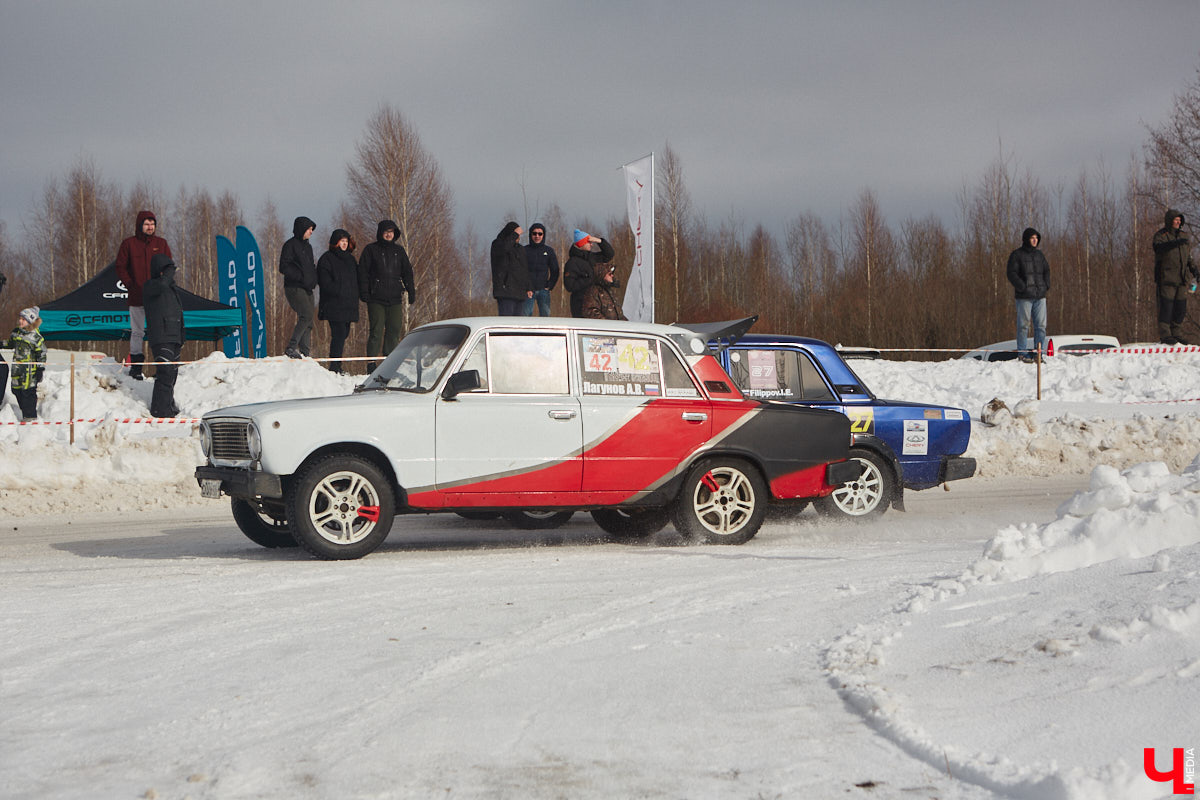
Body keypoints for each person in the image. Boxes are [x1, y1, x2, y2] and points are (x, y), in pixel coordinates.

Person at [114, 210, 172, 379]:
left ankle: (160, 367)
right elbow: (120, 267)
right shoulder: (129, 244)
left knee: (158, 331)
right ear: (140, 225)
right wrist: (130, 285)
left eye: (152, 224)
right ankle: (136, 368)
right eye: (146, 224)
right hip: (137, 296)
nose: (150, 227)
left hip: (157, 297)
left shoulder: (161, 243)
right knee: (137, 332)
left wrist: (164, 284)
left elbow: (169, 266)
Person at [358, 220, 415, 361]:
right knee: (376, 332)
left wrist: (411, 290)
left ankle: (389, 363)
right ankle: (371, 363)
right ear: (380, 233)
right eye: (386, 231)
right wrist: (364, 291)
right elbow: (362, 272)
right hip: (376, 298)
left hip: (395, 297)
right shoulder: (371, 250)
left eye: (391, 232)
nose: (389, 234)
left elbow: (407, 272)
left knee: (394, 330)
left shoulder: (399, 251)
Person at [143, 254, 185, 418]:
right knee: (165, 372)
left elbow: (178, 313)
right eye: (166, 270)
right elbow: (160, 285)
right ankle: (160, 409)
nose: (170, 273)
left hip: (174, 335)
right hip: (161, 336)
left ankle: (168, 404)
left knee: (172, 373)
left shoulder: (171, 289)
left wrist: (182, 335)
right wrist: (166, 275)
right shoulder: (150, 286)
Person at [1152, 209, 1200, 345]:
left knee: (1180, 308)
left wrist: (1195, 271)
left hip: (1181, 279)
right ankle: (1165, 334)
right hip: (1166, 278)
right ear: (1169, 221)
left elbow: (1188, 257)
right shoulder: (1161, 235)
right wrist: (1175, 243)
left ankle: (1177, 333)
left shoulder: (1184, 236)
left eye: (1180, 220)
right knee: (1166, 307)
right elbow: (1158, 248)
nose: (1178, 222)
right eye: (1176, 220)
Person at [317, 229, 360, 373]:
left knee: (344, 333)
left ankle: (337, 364)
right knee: (339, 333)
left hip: (349, 304)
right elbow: (324, 281)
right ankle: (335, 367)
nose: (344, 244)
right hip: (333, 304)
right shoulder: (327, 258)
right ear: (335, 242)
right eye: (342, 241)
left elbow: (357, 279)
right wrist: (338, 290)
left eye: (346, 241)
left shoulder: (351, 259)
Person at [1005, 227, 1050, 361]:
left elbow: (1047, 270)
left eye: (1036, 238)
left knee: (1041, 326)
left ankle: (1038, 353)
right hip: (1024, 297)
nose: (1035, 240)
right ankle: (1022, 353)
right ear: (1026, 239)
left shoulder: (1039, 255)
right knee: (1023, 326)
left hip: (1040, 296)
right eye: (1032, 238)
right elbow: (1011, 273)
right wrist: (1022, 287)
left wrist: (1046, 285)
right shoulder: (1017, 255)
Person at [279, 216, 318, 358]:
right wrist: (300, 277)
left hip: (308, 288)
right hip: (294, 287)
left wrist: (313, 279)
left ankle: (305, 353)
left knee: (308, 320)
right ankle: (291, 347)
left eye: (312, 229)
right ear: (302, 229)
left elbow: (311, 266)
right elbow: (283, 266)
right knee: (306, 315)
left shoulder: (308, 247)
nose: (311, 232)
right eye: (309, 229)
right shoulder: (290, 245)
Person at [3, 307, 46, 421]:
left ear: (30, 321)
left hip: (29, 372)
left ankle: (30, 417)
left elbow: (42, 354)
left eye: (24, 319)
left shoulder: (36, 337)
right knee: (16, 390)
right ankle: (24, 412)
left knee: (28, 393)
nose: (20, 321)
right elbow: (10, 344)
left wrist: (40, 369)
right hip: (17, 369)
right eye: (20, 318)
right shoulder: (16, 332)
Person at [563, 228, 615, 318]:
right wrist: (589, 279)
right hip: (580, 304)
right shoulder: (572, 263)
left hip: (597, 302)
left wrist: (599, 241)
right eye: (589, 242)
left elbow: (609, 254)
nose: (591, 244)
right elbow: (570, 286)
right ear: (581, 243)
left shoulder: (593, 257)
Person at [490, 221, 532, 315]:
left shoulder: (520, 249)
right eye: (516, 234)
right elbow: (504, 249)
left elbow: (524, 269)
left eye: (518, 235)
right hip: (505, 292)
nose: (518, 237)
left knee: (517, 326)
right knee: (506, 324)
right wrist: (515, 234)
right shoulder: (497, 244)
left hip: (520, 292)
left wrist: (528, 287)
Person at [523, 223, 559, 316]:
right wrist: (526, 287)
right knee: (525, 317)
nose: (537, 236)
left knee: (545, 316)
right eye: (534, 233)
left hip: (543, 290)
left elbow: (555, 270)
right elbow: (521, 270)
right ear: (530, 235)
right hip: (528, 291)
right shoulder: (524, 250)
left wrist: (550, 285)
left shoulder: (549, 251)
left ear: (543, 235)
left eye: (540, 234)